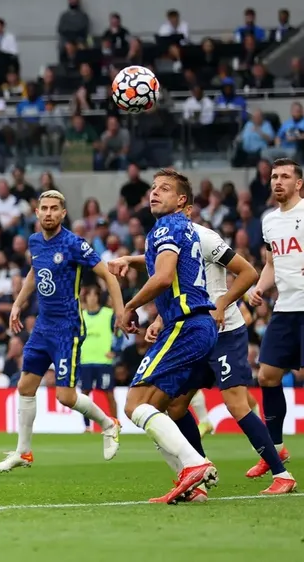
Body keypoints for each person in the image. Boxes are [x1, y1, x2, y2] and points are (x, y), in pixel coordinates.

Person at [135, 211, 295, 498]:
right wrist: (159, 320)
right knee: (176, 406)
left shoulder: (204, 236)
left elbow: (248, 272)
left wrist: (222, 302)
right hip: (195, 333)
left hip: (225, 333)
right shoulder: (170, 239)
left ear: (185, 206)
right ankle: (197, 473)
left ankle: (282, 475)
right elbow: (174, 285)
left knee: (236, 404)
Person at [0, 190, 125, 473]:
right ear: (37, 212)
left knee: (64, 396)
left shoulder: (74, 243)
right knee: (25, 386)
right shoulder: (35, 242)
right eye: (44, 208)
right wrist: (18, 303)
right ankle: (23, 452)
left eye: (54, 208)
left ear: (63, 213)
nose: (49, 213)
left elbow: (108, 276)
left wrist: (120, 311)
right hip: (42, 326)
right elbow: (34, 271)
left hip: (67, 328)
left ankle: (108, 423)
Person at [112, 169, 217, 504]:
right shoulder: (181, 228)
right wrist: (133, 258)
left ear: (181, 200)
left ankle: (194, 466)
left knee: (134, 404)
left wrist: (130, 306)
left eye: (165, 189)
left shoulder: (168, 225)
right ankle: (194, 485)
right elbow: (165, 263)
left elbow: (164, 275)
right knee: (159, 407)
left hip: (185, 325)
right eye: (153, 188)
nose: (154, 193)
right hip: (197, 326)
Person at [246, 158, 304, 479]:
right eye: (273, 177)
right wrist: (259, 288)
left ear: (299, 183)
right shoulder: (269, 221)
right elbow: (272, 263)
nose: (277, 181)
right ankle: (276, 449)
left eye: (284, 176)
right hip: (285, 309)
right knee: (267, 376)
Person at [77, 286, 118, 430]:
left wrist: (115, 350)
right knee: (84, 395)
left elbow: (118, 333)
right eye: (89, 295)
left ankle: (115, 423)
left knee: (109, 394)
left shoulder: (108, 314)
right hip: (85, 360)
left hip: (103, 361)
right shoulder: (81, 315)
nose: (92, 298)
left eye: (95, 295)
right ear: (85, 298)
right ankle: (87, 427)